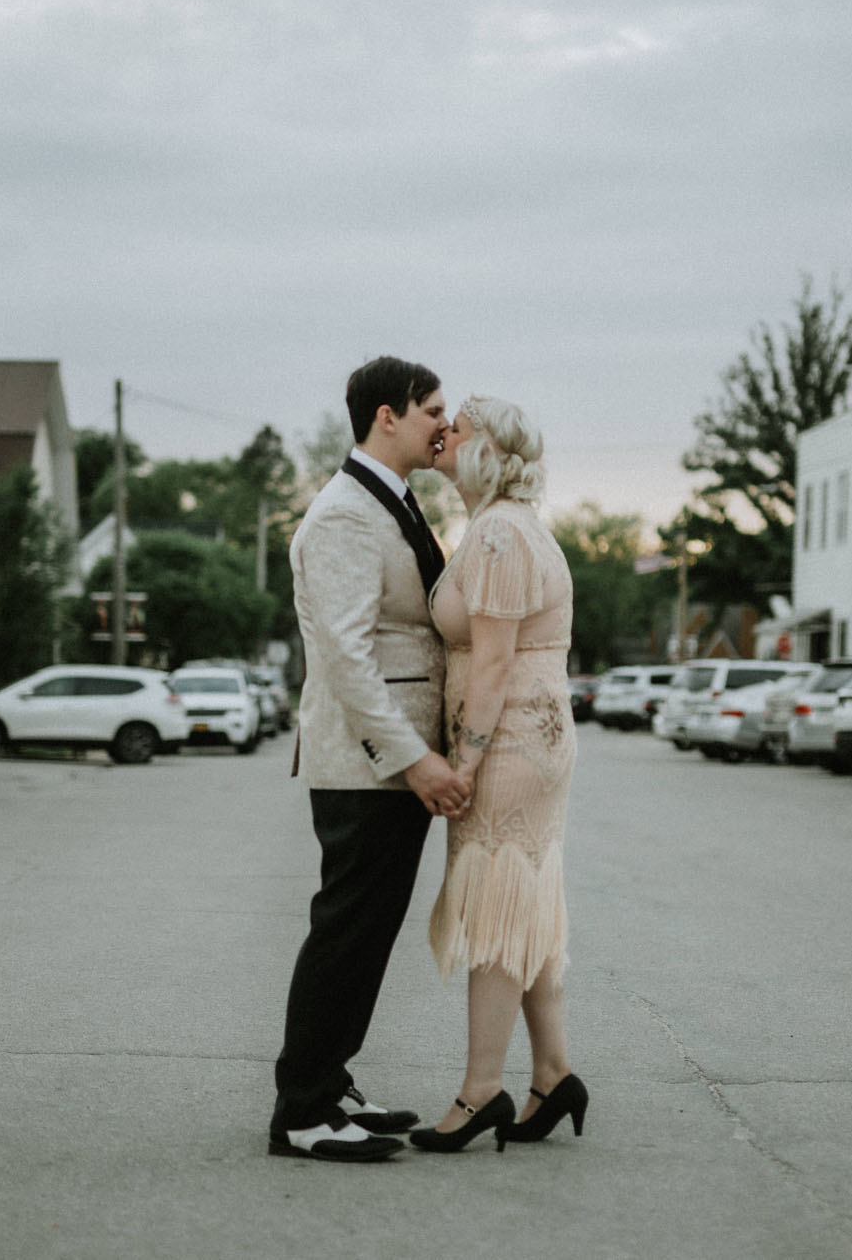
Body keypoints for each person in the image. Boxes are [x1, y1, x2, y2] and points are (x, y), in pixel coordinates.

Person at [268, 356, 474, 1163]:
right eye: (432, 409)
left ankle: (329, 1079)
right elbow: (347, 658)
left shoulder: (391, 500)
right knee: (347, 930)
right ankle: (304, 1109)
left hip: (388, 761)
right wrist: (416, 760)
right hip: (370, 763)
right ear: (385, 416)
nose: (442, 424)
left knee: (367, 930)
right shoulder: (347, 515)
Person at [408, 393, 589, 1154]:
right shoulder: (498, 527)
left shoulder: (501, 536)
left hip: (511, 742)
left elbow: (491, 662)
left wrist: (465, 761)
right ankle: (552, 1072)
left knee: (493, 906)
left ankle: (481, 1091)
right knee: (523, 902)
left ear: (487, 451)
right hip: (528, 735)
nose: (445, 432)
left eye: (461, 426)